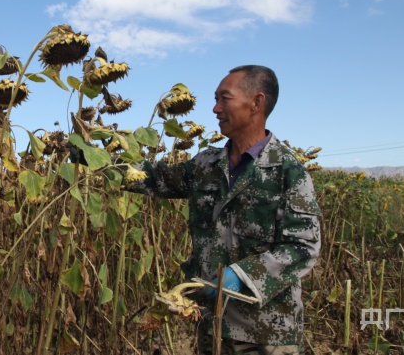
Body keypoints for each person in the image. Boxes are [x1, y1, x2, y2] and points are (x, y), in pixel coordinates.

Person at [126, 65, 321, 355]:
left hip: (266, 331)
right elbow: (157, 179)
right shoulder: (206, 164)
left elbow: (303, 246)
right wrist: (98, 160)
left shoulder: (287, 173)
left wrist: (242, 276)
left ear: (256, 103)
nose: (215, 108)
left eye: (224, 98)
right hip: (212, 323)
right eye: (215, 99)